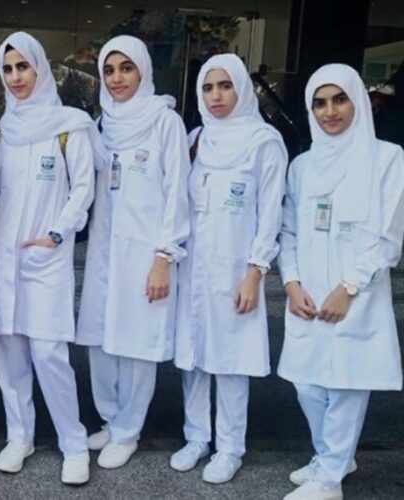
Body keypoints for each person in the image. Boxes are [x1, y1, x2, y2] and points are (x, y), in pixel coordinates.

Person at [278, 64, 404, 500]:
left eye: (340, 99)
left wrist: (348, 287)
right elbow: (288, 230)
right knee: (306, 384)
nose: (330, 111)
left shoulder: (387, 159)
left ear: (358, 102)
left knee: (346, 384)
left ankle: (329, 479)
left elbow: (389, 237)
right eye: (319, 103)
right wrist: (292, 283)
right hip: (309, 291)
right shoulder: (303, 165)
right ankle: (335, 456)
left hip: (357, 292)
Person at [0, 31, 98, 485]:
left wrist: (56, 234)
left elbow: (83, 189)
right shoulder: (1, 129)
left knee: (50, 353)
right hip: (2, 255)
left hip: (46, 257)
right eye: (8, 69)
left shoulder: (69, 125)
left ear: (40, 68)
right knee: (8, 352)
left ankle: (74, 442)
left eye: (23, 67)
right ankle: (20, 435)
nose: (16, 77)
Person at [171, 53, 287, 483]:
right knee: (194, 355)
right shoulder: (196, 139)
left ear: (241, 89)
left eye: (225, 86)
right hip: (194, 268)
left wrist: (255, 272)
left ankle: (230, 447)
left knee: (232, 360)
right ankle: (196, 436)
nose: (216, 96)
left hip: (238, 268)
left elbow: (271, 213)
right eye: (207, 87)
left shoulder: (263, 142)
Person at [76, 35, 190, 469]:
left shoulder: (164, 122)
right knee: (100, 338)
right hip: (105, 249)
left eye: (126, 68)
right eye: (109, 70)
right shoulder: (100, 124)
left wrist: (164, 256)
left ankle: (128, 430)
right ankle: (110, 419)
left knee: (137, 343)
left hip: (147, 252)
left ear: (143, 70)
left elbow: (177, 192)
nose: (117, 78)